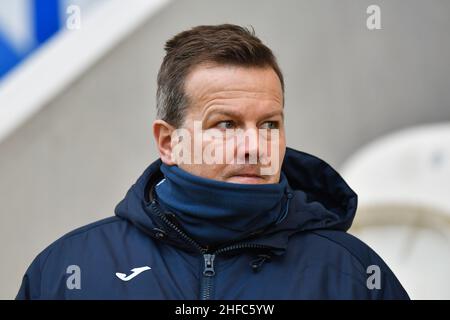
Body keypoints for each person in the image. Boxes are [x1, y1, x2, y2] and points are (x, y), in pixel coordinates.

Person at [16, 24, 409, 300]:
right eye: (227, 124)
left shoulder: (351, 273)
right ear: (168, 142)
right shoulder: (69, 272)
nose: (255, 146)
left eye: (270, 124)